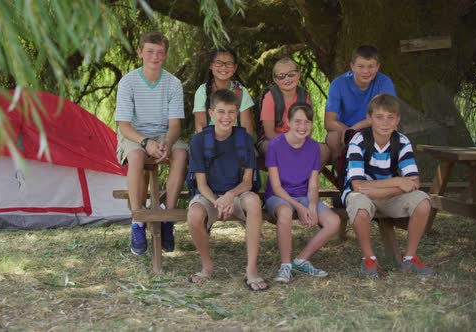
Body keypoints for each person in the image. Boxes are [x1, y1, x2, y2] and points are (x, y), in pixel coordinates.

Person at [343, 93, 434, 277]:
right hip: (362, 196)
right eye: (379, 117)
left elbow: (413, 182)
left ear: (397, 120)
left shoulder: (401, 141)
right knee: (359, 206)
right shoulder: (358, 141)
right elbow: (357, 186)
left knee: (423, 201)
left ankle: (409, 259)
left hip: (386, 195)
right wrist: (396, 181)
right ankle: (369, 260)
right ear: (369, 119)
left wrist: (383, 189)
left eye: (390, 117)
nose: (385, 123)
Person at [187, 89, 268, 291]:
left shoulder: (244, 140)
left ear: (237, 113)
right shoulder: (199, 141)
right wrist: (218, 201)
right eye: (221, 112)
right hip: (210, 195)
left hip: (238, 194)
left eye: (231, 112)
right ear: (211, 113)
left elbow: (248, 182)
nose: (226, 117)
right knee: (194, 215)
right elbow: (201, 184)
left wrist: (231, 196)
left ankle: (251, 269)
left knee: (254, 201)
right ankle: (206, 265)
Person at [115, 31, 187, 256]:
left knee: (182, 154)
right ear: (140, 52)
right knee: (136, 156)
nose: (154, 57)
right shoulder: (128, 82)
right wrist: (146, 143)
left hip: (163, 135)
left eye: (160, 53)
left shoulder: (173, 83)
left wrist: (166, 142)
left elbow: (175, 125)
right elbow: (124, 126)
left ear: (164, 55)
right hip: (135, 135)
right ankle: (137, 220)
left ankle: (168, 219)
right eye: (150, 52)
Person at [264, 103, 341, 283]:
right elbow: (276, 187)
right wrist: (299, 207)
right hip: (279, 197)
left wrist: (312, 205)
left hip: (304, 196)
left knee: (333, 221)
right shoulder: (275, 145)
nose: (302, 127)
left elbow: (313, 185)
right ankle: (285, 266)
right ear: (288, 122)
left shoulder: (314, 147)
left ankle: (301, 259)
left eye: (307, 122)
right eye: (297, 121)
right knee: (285, 211)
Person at [324, 45, 396, 164]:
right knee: (332, 137)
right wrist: (348, 132)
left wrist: (354, 130)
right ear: (352, 66)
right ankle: (341, 173)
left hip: (374, 129)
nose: (366, 71)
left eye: (371, 66)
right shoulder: (338, 84)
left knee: (387, 132)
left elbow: (388, 117)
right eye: (361, 66)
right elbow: (329, 122)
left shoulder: (384, 82)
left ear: (378, 67)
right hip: (344, 132)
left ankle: (380, 174)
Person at [257, 57, 330, 166]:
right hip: (272, 140)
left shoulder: (304, 96)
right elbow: (269, 132)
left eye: (291, 74)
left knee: (324, 150)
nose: (287, 79)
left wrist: (301, 143)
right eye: (281, 76)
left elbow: (308, 127)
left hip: (299, 139)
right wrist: (289, 144)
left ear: (298, 74)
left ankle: (306, 180)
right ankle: (287, 181)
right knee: (279, 149)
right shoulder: (270, 97)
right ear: (275, 79)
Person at [192, 47, 254, 136]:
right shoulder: (203, 91)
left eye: (229, 63)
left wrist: (243, 146)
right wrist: (209, 145)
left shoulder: (241, 91)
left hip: (235, 142)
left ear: (235, 67)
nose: (224, 67)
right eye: (218, 63)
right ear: (211, 65)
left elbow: (247, 127)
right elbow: (200, 125)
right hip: (208, 141)